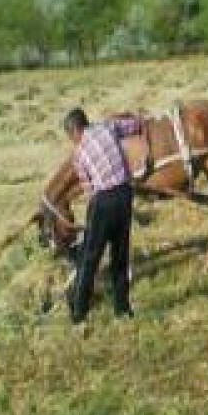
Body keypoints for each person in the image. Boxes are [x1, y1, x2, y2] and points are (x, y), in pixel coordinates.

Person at [63, 108, 142, 324]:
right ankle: (122, 311)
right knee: (120, 255)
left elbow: (90, 191)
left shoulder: (79, 155)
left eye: (71, 137)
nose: (73, 141)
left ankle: (79, 316)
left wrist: (91, 221)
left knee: (89, 258)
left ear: (75, 131)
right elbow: (136, 125)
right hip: (125, 195)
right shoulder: (109, 127)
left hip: (103, 200)